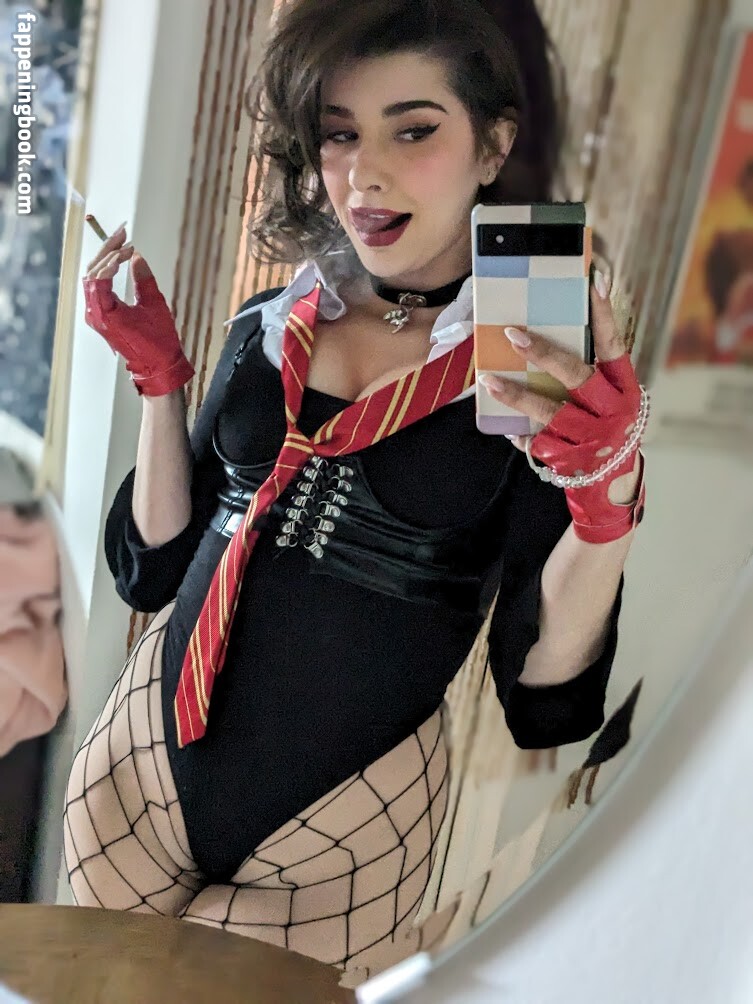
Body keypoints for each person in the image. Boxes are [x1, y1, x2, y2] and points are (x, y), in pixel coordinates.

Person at [63, 0, 647, 980]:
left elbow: (543, 696)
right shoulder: (280, 311)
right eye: (339, 134)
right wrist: (161, 384)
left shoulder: (531, 340)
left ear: (495, 143)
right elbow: (154, 567)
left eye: (412, 131)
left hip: (338, 839)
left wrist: (605, 494)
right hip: (135, 773)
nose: (363, 174)